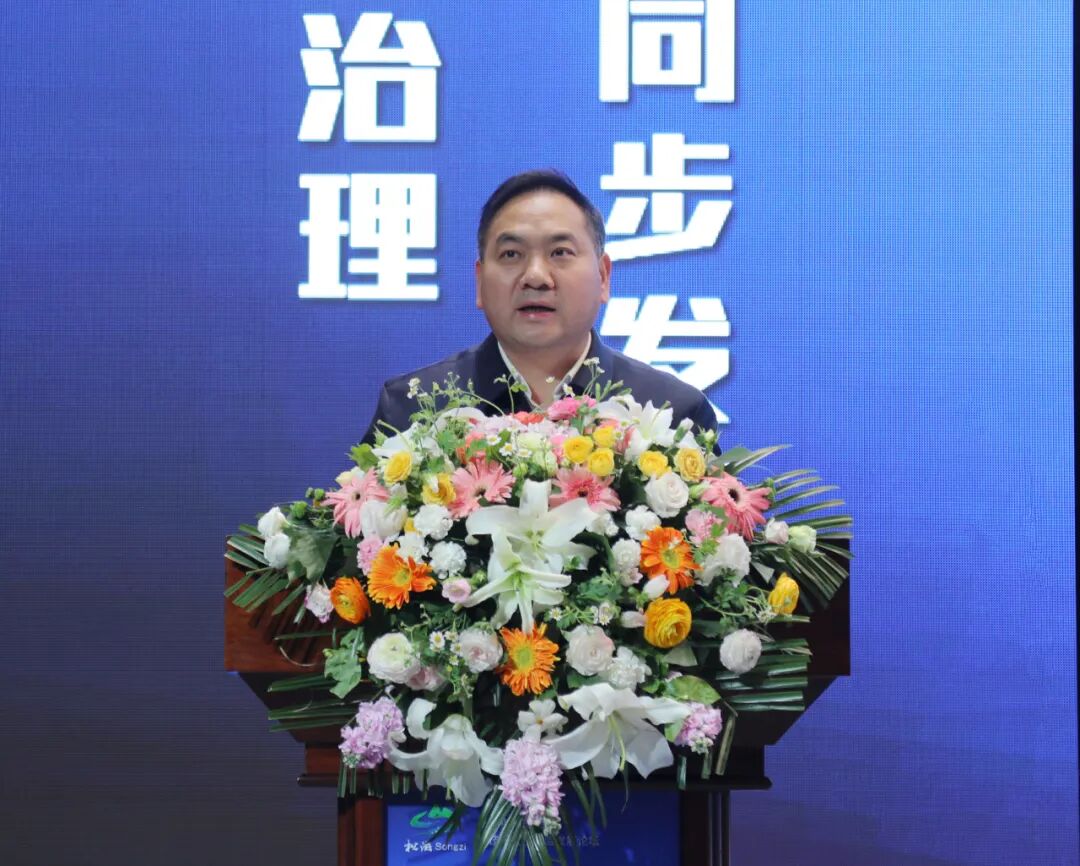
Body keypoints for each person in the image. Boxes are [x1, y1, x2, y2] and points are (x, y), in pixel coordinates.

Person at [362, 169, 718, 442]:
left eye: (560, 252)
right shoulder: (412, 410)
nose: (535, 276)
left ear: (603, 276)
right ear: (480, 282)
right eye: (511, 254)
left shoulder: (671, 413)